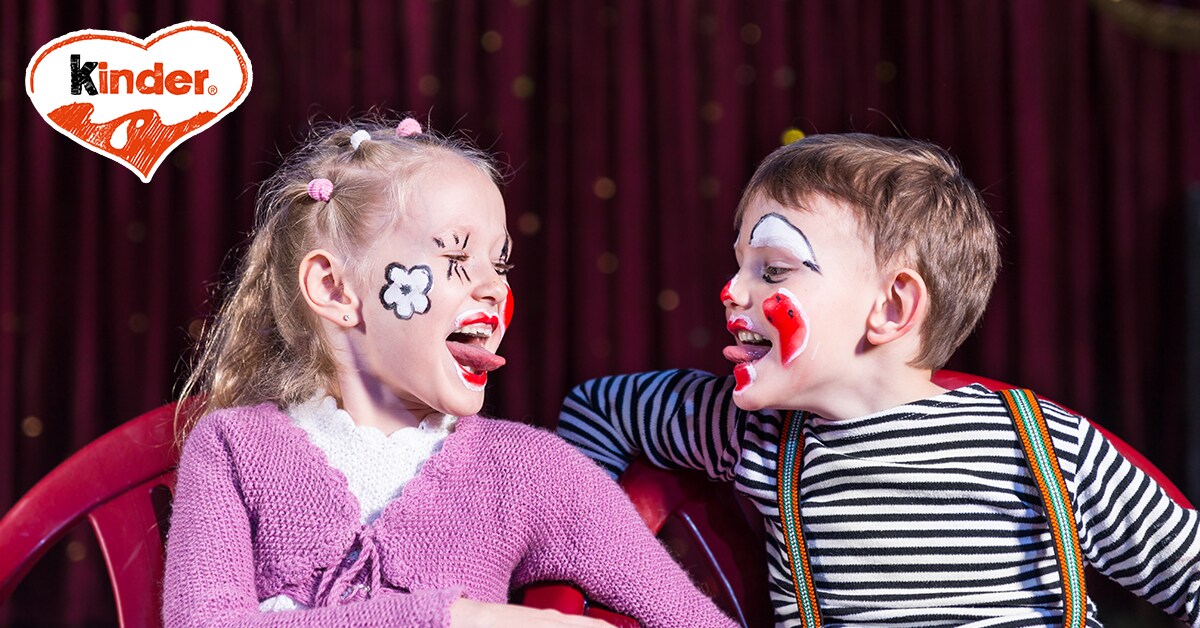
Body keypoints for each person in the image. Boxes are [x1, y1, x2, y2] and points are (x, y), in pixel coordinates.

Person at [557, 133, 1200, 627]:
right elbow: (596, 409)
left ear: (892, 308)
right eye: (739, 265)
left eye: (773, 270)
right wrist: (599, 561)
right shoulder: (748, 432)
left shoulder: (1045, 446)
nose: (731, 291)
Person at [162, 115, 737, 628]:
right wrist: (462, 619)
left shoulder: (531, 470)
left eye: (500, 264)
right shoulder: (231, 447)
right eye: (457, 257)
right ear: (334, 288)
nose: (495, 289)